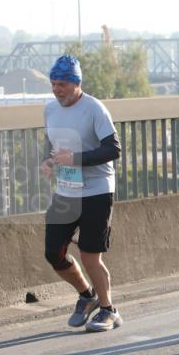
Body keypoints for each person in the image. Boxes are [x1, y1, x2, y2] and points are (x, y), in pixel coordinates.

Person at [41, 55, 122, 332]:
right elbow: (51, 141)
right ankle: (87, 296)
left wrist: (75, 159)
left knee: (90, 256)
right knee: (53, 252)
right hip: (66, 190)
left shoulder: (94, 109)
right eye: (53, 84)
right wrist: (48, 160)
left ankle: (109, 310)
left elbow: (113, 149)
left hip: (97, 191)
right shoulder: (50, 109)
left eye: (62, 84)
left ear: (77, 83)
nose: (56, 89)